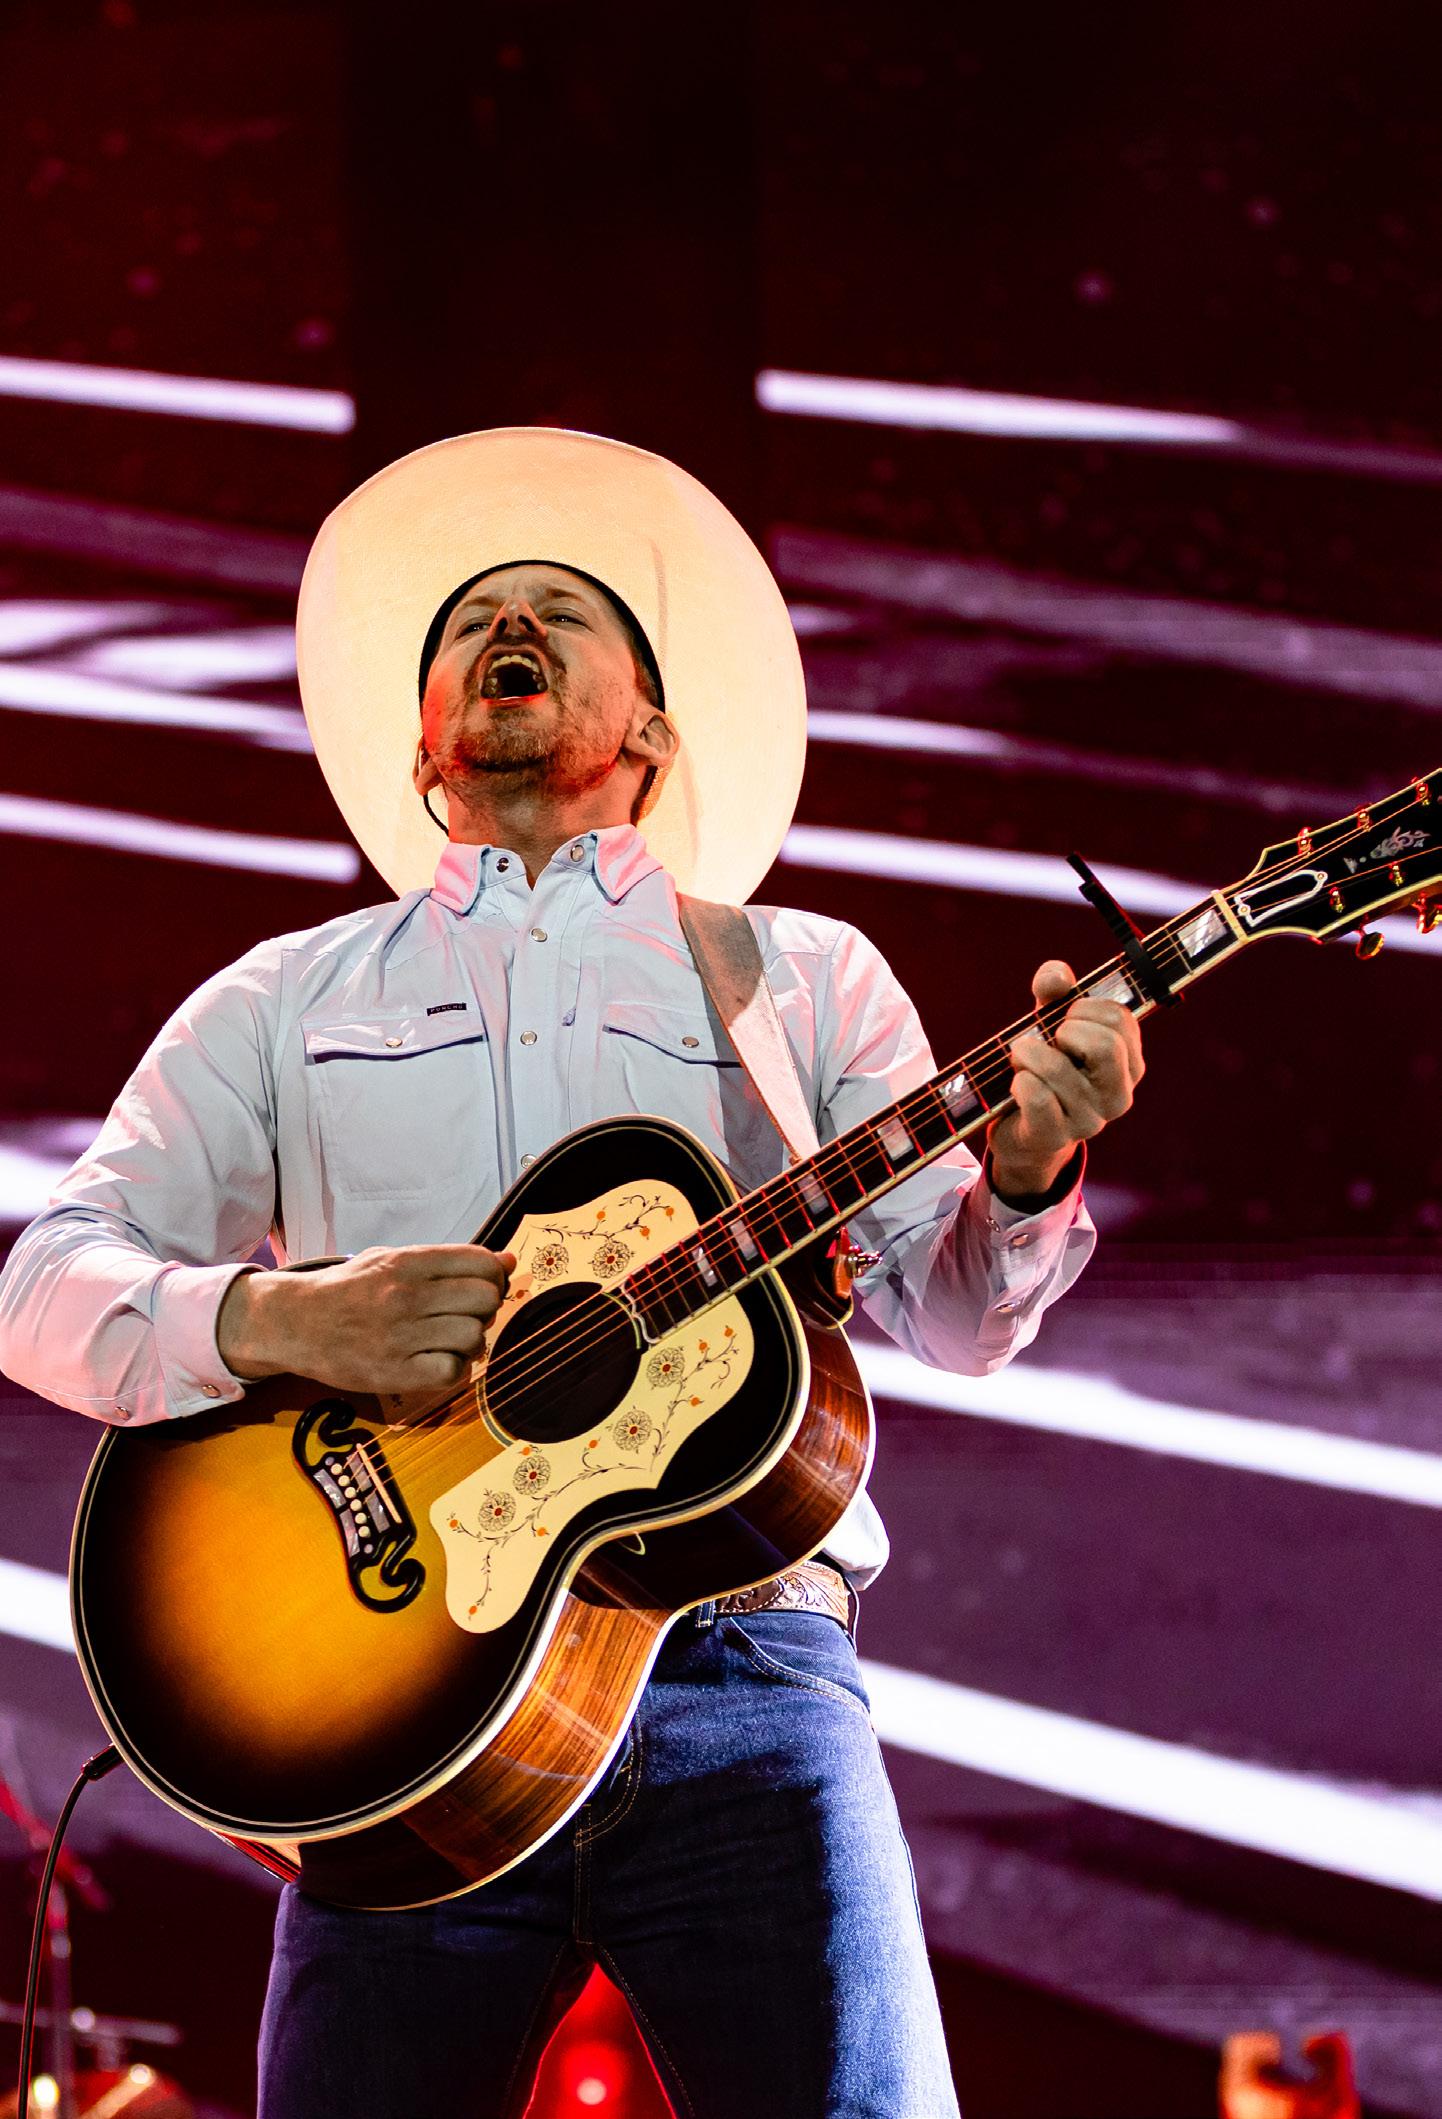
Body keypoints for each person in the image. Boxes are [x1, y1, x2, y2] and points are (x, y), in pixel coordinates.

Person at [0, 428, 1144, 2119]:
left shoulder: (801, 976)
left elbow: (953, 1314)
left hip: (745, 1677)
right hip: (395, 1715)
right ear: (423, 743)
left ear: (655, 732)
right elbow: (41, 1285)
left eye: (557, 610)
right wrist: (288, 1316)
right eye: (469, 620)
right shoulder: (280, 998)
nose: (506, 627)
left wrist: (1030, 1170)